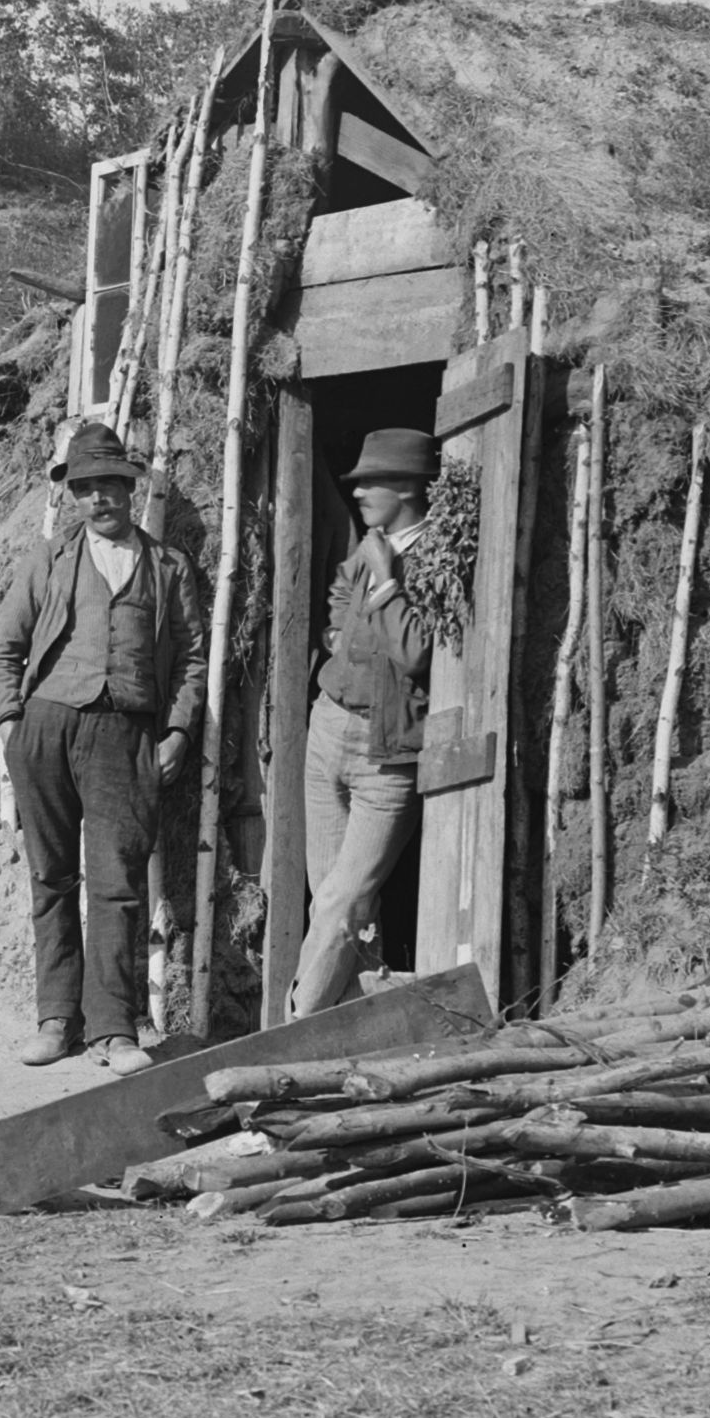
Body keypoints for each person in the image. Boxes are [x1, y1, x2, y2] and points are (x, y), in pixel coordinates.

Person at [0, 421, 208, 1066]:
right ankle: (57, 1021)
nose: (98, 499)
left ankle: (114, 1029)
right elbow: (4, 647)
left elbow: (191, 658)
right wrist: (9, 723)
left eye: (109, 485)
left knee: (118, 884)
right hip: (46, 728)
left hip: (126, 735)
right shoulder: (48, 560)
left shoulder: (167, 568)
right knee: (51, 879)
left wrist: (180, 730)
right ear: (72, 497)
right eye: (85, 489)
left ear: (130, 489)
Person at [288, 424, 442, 1019]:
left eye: (369, 482)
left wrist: (384, 580)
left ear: (407, 487)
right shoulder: (371, 547)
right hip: (329, 730)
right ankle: (352, 1029)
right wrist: (337, 635)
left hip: (389, 751)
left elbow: (417, 652)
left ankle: (291, 1032)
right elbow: (336, 599)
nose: (356, 493)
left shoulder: (436, 553)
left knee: (340, 904)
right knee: (331, 907)